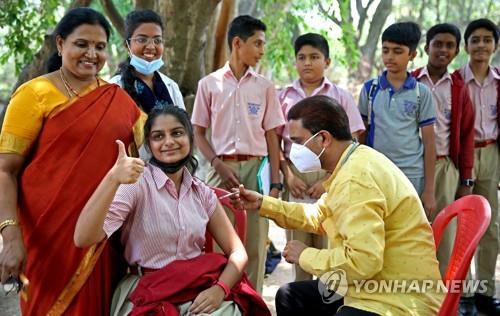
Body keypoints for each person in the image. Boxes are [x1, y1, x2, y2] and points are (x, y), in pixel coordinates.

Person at [234, 95, 444, 316]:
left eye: (298, 141)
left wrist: (306, 255)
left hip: (395, 296)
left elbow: (363, 262)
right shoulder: (352, 162)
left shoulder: (355, 179)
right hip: (370, 284)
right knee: (291, 296)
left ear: (323, 138)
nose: (293, 150)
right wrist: (263, 203)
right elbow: (319, 214)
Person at [0, 8, 143, 315]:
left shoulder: (119, 101)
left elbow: (157, 153)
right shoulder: (34, 94)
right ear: (61, 44)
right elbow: (5, 170)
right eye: (82, 44)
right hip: (45, 243)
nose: (92, 54)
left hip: (103, 241)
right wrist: (10, 237)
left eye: (100, 47)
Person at [74, 105, 269, 316]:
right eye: (158, 136)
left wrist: (219, 290)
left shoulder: (201, 193)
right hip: (145, 291)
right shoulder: (136, 186)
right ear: (149, 144)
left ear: (190, 139)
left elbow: (237, 252)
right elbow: (83, 238)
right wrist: (112, 179)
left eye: (177, 133)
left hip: (194, 287)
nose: (169, 142)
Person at [191, 15, 285, 293]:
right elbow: (198, 132)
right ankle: (223, 302)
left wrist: (276, 182)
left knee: (256, 241)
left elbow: (272, 136)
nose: (261, 50)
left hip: (256, 171)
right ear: (237, 43)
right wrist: (218, 165)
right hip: (220, 173)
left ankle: (253, 300)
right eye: (257, 43)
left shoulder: (265, 87)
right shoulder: (208, 84)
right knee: (221, 242)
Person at [278, 32, 365, 281]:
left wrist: (327, 180)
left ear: (326, 61)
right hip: (296, 178)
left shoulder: (340, 97)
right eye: (302, 57)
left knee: (330, 246)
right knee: (298, 248)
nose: (307, 62)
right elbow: (273, 141)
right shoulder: (283, 97)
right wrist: (288, 176)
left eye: (314, 57)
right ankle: (300, 298)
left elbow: (354, 140)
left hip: (331, 177)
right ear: (295, 61)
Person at [411, 23, 475, 276]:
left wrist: (466, 177)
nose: (443, 50)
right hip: (412, 166)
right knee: (413, 229)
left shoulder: (459, 87)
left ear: (457, 51)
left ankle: (442, 298)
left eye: (450, 46)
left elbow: (467, 134)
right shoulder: (411, 81)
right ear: (426, 48)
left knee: (445, 231)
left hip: (444, 167)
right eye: (438, 44)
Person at [358, 21, 437, 217]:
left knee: (407, 232)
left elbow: (429, 142)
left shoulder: (421, 93)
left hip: (411, 175)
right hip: (376, 174)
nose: (390, 57)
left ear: (412, 55)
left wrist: (429, 190)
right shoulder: (370, 90)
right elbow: (361, 135)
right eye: (385, 50)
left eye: (397, 51)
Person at [454, 18, 500, 316]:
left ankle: (485, 291)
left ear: (495, 45)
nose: (481, 45)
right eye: (475, 40)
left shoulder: (499, 81)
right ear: (466, 46)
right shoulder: (456, 80)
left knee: (492, 228)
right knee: (462, 226)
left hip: (492, 153)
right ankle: (465, 292)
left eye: (487, 39)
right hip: (462, 157)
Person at [109, 9, 185, 114]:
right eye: (142, 40)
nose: (151, 46)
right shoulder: (114, 88)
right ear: (127, 46)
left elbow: (183, 126)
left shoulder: (172, 86)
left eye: (157, 40)